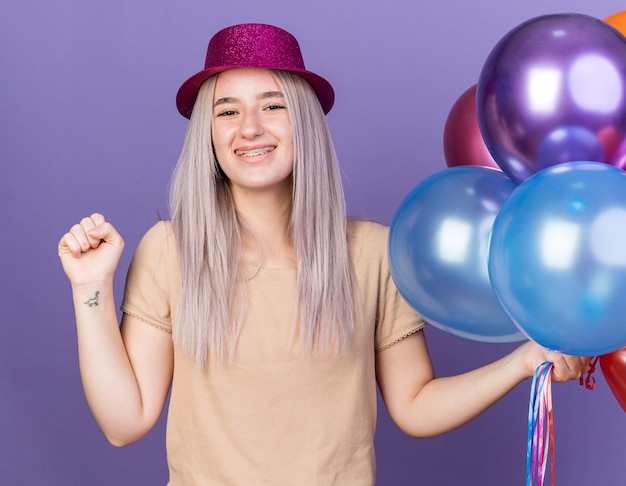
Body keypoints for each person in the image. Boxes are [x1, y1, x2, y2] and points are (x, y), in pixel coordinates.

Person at [58, 23, 589, 485]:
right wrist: (90, 290)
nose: (250, 128)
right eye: (227, 110)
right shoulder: (170, 252)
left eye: (273, 105)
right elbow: (124, 424)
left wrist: (520, 364)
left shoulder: (373, 253)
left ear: (304, 124)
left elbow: (415, 405)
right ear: (209, 136)